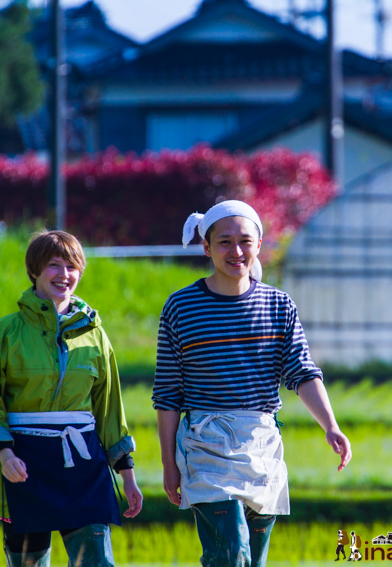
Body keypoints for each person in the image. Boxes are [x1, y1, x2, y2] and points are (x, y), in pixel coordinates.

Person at [153, 200, 352, 567]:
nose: (236, 251)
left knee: (252, 561)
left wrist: (331, 426)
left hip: (262, 444)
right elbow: (168, 393)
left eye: (245, 241)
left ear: (259, 245)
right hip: (206, 445)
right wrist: (168, 462)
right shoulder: (181, 308)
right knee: (232, 554)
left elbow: (302, 372)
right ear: (206, 247)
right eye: (225, 242)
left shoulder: (278, 305)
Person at [0, 230, 143, 567]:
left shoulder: (95, 335)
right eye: (54, 265)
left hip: (83, 463)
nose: (64, 275)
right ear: (34, 271)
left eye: (72, 266)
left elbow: (109, 408)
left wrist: (127, 474)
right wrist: (4, 455)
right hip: (23, 464)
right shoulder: (5, 332)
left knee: (97, 561)